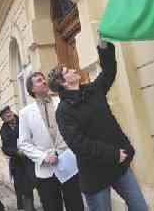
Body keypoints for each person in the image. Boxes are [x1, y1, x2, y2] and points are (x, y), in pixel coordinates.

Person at [48, 36, 148, 211]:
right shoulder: (63, 111)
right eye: (67, 71)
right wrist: (113, 154)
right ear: (62, 82)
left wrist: (104, 46)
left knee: (140, 207)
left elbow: (109, 72)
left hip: (118, 166)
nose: (73, 69)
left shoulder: (92, 91)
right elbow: (79, 145)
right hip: (95, 176)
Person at [18, 72, 84, 211]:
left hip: (68, 164)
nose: (44, 82)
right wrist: (43, 157)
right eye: (39, 81)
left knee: (76, 205)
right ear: (32, 89)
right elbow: (24, 143)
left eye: (44, 79)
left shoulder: (61, 102)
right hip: (45, 171)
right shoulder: (25, 113)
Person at [0, 105, 36, 211]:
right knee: (23, 192)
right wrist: (16, 152)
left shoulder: (23, 121)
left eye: (8, 112)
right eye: (4, 115)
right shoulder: (3, 131)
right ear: (3, 119)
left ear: (11, 112)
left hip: (32, 159)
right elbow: (5, 148)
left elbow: (33, 135)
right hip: (18, 164)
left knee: (39, 184)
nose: (7, 114)